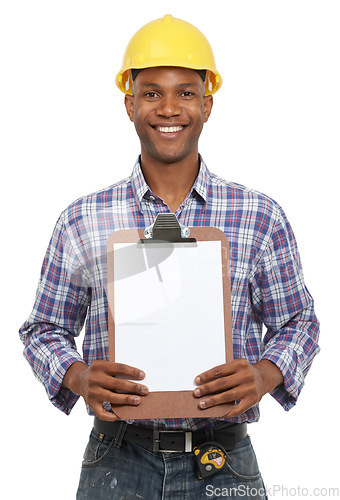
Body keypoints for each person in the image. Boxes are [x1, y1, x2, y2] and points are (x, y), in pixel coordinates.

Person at [19, 14, 320, 499]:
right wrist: (78, 376)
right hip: (116, 459)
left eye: (185, 91)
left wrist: (265, 374)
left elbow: (299, 322)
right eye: (152, 92)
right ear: (129, 104)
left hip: (223, 459)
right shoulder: (82, 219)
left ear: (207, 103)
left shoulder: (259, 215)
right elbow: (42, 330)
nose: (169, 108)